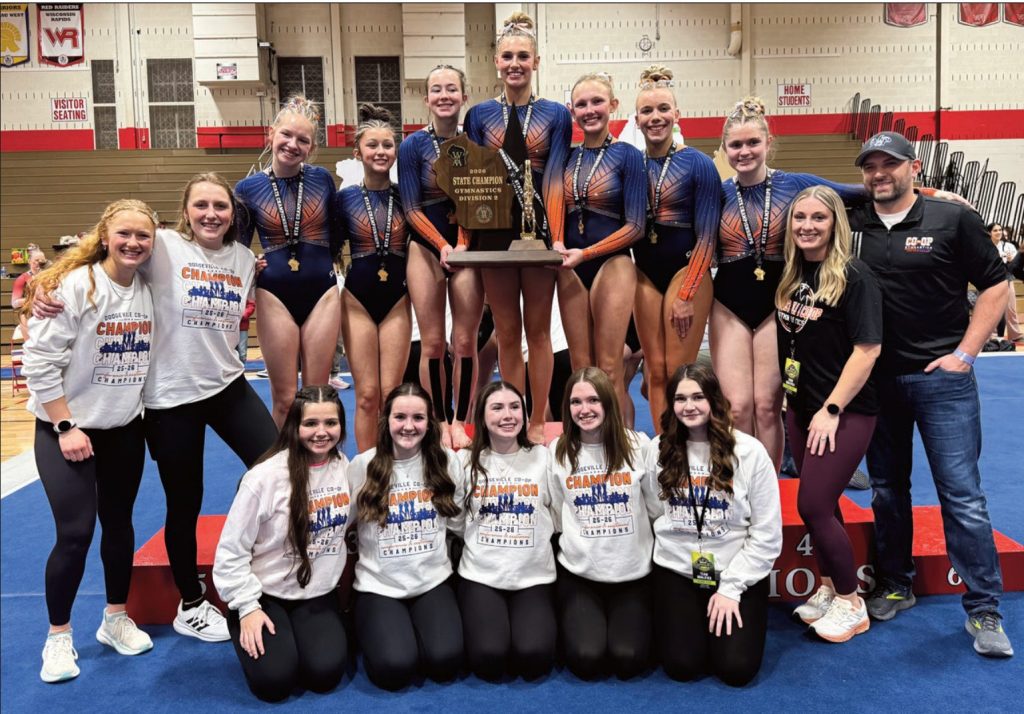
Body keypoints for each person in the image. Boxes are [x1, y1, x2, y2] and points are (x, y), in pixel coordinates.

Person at [30, 174, 279, 643]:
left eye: (220, 206)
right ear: (185, 212)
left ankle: (272, 568)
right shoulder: (162, 246)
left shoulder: (245, 260)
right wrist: (44, 287)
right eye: (201, 205)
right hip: (170, 397)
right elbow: (107, 250)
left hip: (226, 385)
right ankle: (191, 602)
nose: (211, 214)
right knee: (185, 500)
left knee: (278, 465)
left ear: (233, 214)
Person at [850, 131, 1013, 658]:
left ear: (914, 167)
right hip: (878, 382)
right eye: (870, 166)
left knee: (962, 495)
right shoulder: (852, 224)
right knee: (886, 490)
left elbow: (995, 285)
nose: (880, 173)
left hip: (943, 380)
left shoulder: (952, 219)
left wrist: (966, 353)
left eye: (890, 164)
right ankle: (896, 583)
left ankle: (984, 607)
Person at [23, 199, 158, 683]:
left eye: (143, 236)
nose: (133, 243)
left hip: (123, 429)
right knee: (76, 533)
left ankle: (115, 618)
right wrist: (65, 426)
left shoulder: (149, 286)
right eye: (124, 234)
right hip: (65, 431)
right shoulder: (75, 286)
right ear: (104, 236)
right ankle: (58, 636)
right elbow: (38, 361)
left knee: (119, 526)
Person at [713, 97, 872, 469]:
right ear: (724, 149)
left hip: (780, 303)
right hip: (728, 306)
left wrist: (929, 194)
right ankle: (742, 482)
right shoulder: (717, 193)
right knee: (737, 407)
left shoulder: (796, 184)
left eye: (753, 142)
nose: (744, 151)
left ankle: (768, 486)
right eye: (736, 145)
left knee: (767, 406)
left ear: (769, 143)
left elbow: (861, 193)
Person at [775, 186, 882, 642]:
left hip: (843, 411)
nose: (807, 226)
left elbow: (867, 350)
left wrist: (831, 408)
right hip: (801, 407)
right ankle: (827, 586)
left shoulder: (855, 277)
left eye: (818, 218)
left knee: (813, 504)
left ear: (836, 222)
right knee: (827, 504)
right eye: (800, 217)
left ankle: (851, 603)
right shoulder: (793, 273)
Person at [464, 10, 572, 444]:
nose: (515, 64)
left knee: (539, 331)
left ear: (536, 62)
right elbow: (472, 184)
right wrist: (467, 241)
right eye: (507, 56)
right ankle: (514, 416)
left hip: (539, 233)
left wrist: (557, 236)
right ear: (496, 61)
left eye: (523, 57)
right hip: (494, 234)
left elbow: (555, 177)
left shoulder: (555, 114)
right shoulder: (479, 115)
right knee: (507, 332)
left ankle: (538, 421)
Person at [642, 363, 782, 686]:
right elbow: (653, 512)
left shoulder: (750, 453)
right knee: (682, 666)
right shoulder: (659, 450)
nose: (688, 406)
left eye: (698, 397)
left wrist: (731, 588)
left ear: (714, 400)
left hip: (735, 570)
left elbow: (767, 533)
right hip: (677, 570)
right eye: (680, 399)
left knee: (736, 669)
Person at [213, 386, 351, 702]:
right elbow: (231, 552)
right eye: (311, 423)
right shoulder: (263, 478)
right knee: (274, 682)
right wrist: (247, 608)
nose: (321, 432)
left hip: (316, 594)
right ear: (294, 426)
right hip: (265, 594)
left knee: (325, 674)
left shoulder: (344, 468)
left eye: (330, 423)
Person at [349, 383, 465, 690]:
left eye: (418, 418)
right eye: (400, 417)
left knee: (446, 662)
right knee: (395, 668)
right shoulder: (362, 466)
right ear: (386, 419)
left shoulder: (446, 461)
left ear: (430, 423)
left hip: (432, 581)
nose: (409, 426)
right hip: (379, 585)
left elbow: (459, 522)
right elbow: (340, 525)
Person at [236, 95, 341, 426]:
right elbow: (238, 247)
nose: (293, 145)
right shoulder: (248, 187)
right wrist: (250, 264)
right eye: (286, 135)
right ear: (271, 134)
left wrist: (328, 262)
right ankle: (283, 458)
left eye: (303, 140)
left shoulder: (322, 179)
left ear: (312, 147)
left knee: (316, 394)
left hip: (322, 293)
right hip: (274, 294)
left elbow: (336, 232)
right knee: (283, 399)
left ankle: (317, 458)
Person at [398, 64, 485, 449]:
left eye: (452, 89)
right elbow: (411, 208)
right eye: (437, 89)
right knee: (432, 343)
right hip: (425, 247)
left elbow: (478, 199)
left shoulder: (476, 144)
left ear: (464, 96)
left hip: (468, 250)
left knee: (464, 342)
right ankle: (437, 420)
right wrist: (442, 245)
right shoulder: (412, 146)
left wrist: (462, 243)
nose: (444, 96)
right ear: (426, 99)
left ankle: (461, 421)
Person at [549, 367, 653, 680]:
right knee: (586, 659)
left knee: (628, 659)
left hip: (632, 574)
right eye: (576, 402)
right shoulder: (558, 451)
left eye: (593, 400)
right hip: (581, 574)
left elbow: (655, 506)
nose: (585, 410)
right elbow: (558, 513)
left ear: (608, 401)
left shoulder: (638, 446)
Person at [631, 66, 720, 430]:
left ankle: (685, 443)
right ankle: (663, 447)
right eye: (647, 111)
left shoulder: (698, 163)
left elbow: (708, 237)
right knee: (654, 370)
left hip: (687, 271)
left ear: (677, 114)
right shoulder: (631, 163)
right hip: (644, 274)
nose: (656, 117)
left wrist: (687, 293)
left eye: (663, 109)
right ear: (636, 119)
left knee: (678, 372)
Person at [556, 72, 645, 421]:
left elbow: (635, 226)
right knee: (581, 370)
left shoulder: (627, 155)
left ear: (613, 105)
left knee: (609, 368)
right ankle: (583, 445)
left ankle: (621, 445)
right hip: (570, 267)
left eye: (597, 102)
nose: (589, 110)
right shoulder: (565, 157)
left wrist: (588, 253)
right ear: (572, 111)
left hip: (613, 264)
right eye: (581, 104)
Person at [457, 381, 557, 681]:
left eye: (515, 407)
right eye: (497, 408)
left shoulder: (544, 458)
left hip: (533, 575)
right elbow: (455, 520)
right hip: (481, 576)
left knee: (534, 658)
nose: (508, 415)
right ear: (482, 416)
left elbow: (558, 513)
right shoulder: (464, 461)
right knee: (489, 658)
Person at [335, 104, 413, 452]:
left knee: (390, 393)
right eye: (372, 145)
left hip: (397, 300)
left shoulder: (406, 196)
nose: (380, 151)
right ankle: (367, 466)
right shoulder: (345, 199)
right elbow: (325, 247)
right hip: (357, 301)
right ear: (357, 152)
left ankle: (394, 462)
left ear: (396, 151)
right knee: (367, 395)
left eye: (387, 145)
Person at [989, 222, 1022, 343]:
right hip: (991, 279)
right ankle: (992, 336)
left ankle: (1015, 334)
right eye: (995, 230)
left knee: (1011, 308)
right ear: (989, 233)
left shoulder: (1009, 246)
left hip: (1007, 277)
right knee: (993, 308)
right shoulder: (986, 246)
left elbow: (1016, 265)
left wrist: (1010, 260)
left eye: (1000, 230)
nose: (998, 232)